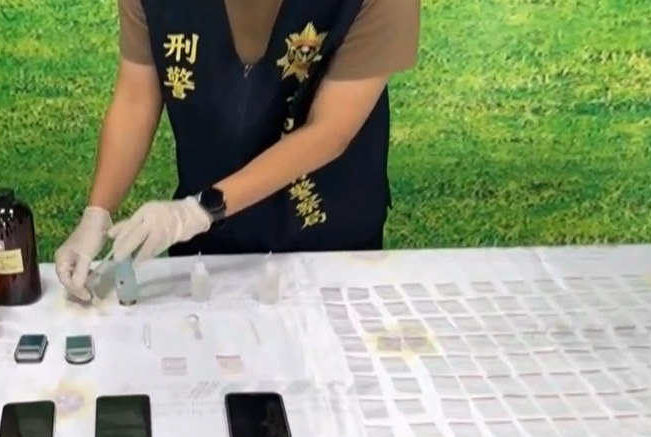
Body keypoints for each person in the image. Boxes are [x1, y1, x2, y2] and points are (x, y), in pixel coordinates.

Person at [56, 0, 421, 299]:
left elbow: (329, 131)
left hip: (329, 236)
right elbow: (137, 97)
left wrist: (197, 210)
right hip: (209, 243)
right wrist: (97, 214)